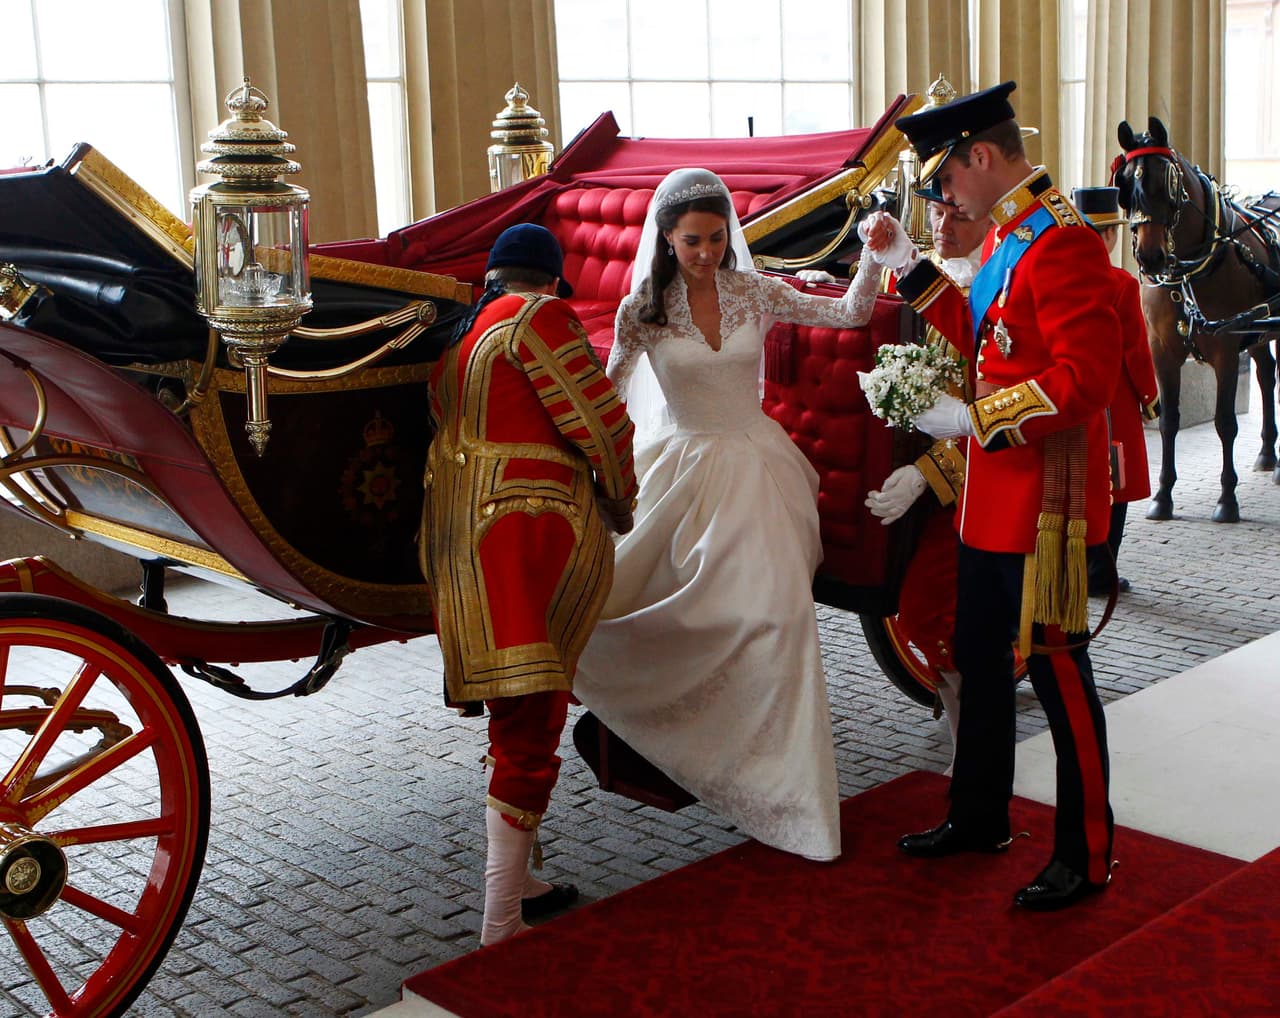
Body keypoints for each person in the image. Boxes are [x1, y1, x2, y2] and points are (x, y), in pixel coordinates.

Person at [860, 81, 1121, 910]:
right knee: (979, 661)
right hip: (991, 502)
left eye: (945, 180)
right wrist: (908, 266)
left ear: (980, 155)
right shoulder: (1014, 232)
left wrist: (976, 418)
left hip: (1043, 507)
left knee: (1060, 680)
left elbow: (1084, 380)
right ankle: (978, 816)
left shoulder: (1062, 241)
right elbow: (987, 339)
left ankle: (1086, 853)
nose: (944, 196)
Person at [573, 167, 881, 862]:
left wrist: (873, 255)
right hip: (682, 471)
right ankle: (702, 742)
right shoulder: (641, 310)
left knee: (781, 618)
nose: (708, 252)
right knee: (679, 613)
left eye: (717, 238)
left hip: (758, 472)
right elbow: (608, 394)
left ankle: (789, 792)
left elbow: (849, 316)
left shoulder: (754, 290)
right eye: (693, 241)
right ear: (666, 238)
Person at [419, 223, 638, 945]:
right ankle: (500, 923)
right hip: (522, 539)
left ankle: (521, 886)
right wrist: (621, 502)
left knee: (511, 714)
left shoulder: (461, 338)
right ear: (549, 281)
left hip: (459, 543)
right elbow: (603, 423)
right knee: (533, 722)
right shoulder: (538, 317)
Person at [864, 193, 989, 774]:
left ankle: (978, 759)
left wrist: (928, 473)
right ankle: (967, 746)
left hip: (982, 490)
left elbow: (1003, 416)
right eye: (937, 213)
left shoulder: (999, 292)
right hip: (927, 477)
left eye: (957, 214)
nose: (943, 224)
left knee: (931, 612)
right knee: (925, 617)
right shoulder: (934, 280)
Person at [1071, 187, 1160, 597]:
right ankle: (1101, 573)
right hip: (1112, 406)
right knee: (1113, 489)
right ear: (1108, 235)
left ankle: (1076, 569)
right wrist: (1150, 399)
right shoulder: (1121, 285)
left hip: (1071, 400)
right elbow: (1136, 352)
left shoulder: (1062, 282)